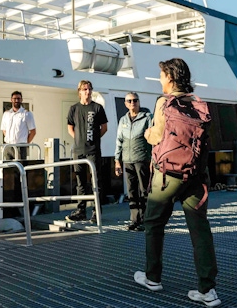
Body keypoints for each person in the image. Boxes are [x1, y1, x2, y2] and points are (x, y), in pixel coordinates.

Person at [134, 58, 221, 308]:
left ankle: (152, 277)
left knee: (153, 223)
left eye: (162, 75)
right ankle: (208, 290)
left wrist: (147, 132)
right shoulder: (197, 102)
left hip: (168, 176)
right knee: (200, 230)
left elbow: (156, 135)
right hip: (196, 175)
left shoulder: (165, 102)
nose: (160, 80)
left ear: (170, 78)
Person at [66, 80, 108, 224]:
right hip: (78, 151)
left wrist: (93, 139)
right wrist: (79, 140)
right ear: (79, 91)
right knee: (80, 182)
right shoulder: (74, 109)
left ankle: (97, 212)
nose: (87, 92)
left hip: (93, 151)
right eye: (84, 89)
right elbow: (70, 127)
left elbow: (104, 127)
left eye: (89, 89)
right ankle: (81, 211)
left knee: (96, 181)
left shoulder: (97, 108)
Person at [114, 92, 152, 231]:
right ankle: (134, 219)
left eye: (135, 100)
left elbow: (152, 140)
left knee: (144, 190)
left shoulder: (147, 117)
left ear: (139, 102)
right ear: (125, 103)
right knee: (131, 191)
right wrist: (117, 161)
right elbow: (119, 140)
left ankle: (145, 219)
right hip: (127, 159)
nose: (132, 103)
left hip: (142, 159)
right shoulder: (123, 120)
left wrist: (153, 159)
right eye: (129, 101)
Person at [0, 91, 37, 161]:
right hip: (8, 146)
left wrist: (25, 143)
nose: (16, 100)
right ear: (11, 100)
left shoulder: (26, 114)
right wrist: (10, 139)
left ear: (21, 100)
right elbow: (4, 130)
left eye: (18, 99)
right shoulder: (6, 114)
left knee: (20, 169)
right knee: (8, 169)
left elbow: (33, 131)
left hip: (20, 146)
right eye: (14, 98)